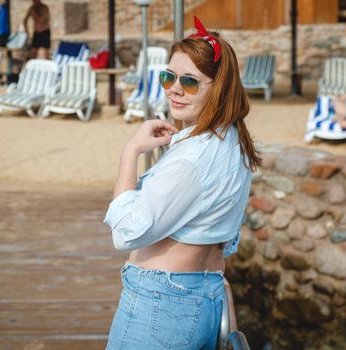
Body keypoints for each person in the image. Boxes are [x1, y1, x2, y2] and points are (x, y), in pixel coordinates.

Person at [103, 17, 260, 349]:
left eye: (189, 81)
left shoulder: (191, 159)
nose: (174, 88)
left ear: (218, 88)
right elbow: (223, 234)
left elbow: (127, 232)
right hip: (206, 295)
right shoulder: (235, 142)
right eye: (168, 76)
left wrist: (130, 152)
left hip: (161, 303)